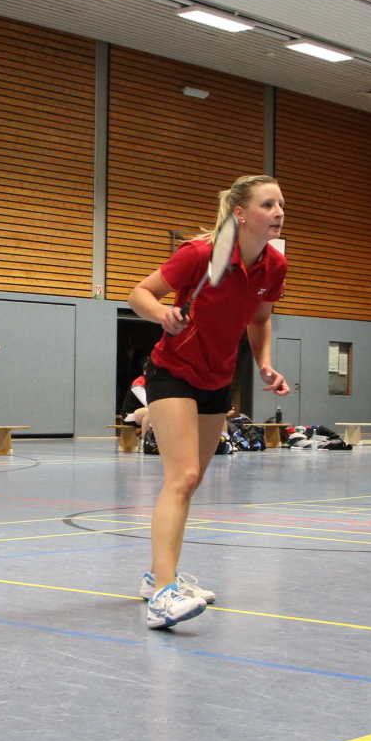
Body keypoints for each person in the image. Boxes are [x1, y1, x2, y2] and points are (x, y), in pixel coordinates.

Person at [127, 175, 290, 629]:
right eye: (268, 204)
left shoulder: (274, 265)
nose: (278, 212)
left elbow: (260, 319)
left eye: (281, 205)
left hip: (219, 379)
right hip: (173, 372)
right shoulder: (200, 254)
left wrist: (265, 363)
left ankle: (157, 576)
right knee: (182, 477)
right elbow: (139, 294)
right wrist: (162, 314)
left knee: (192, 481)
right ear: (240, 213)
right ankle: (163, 595)